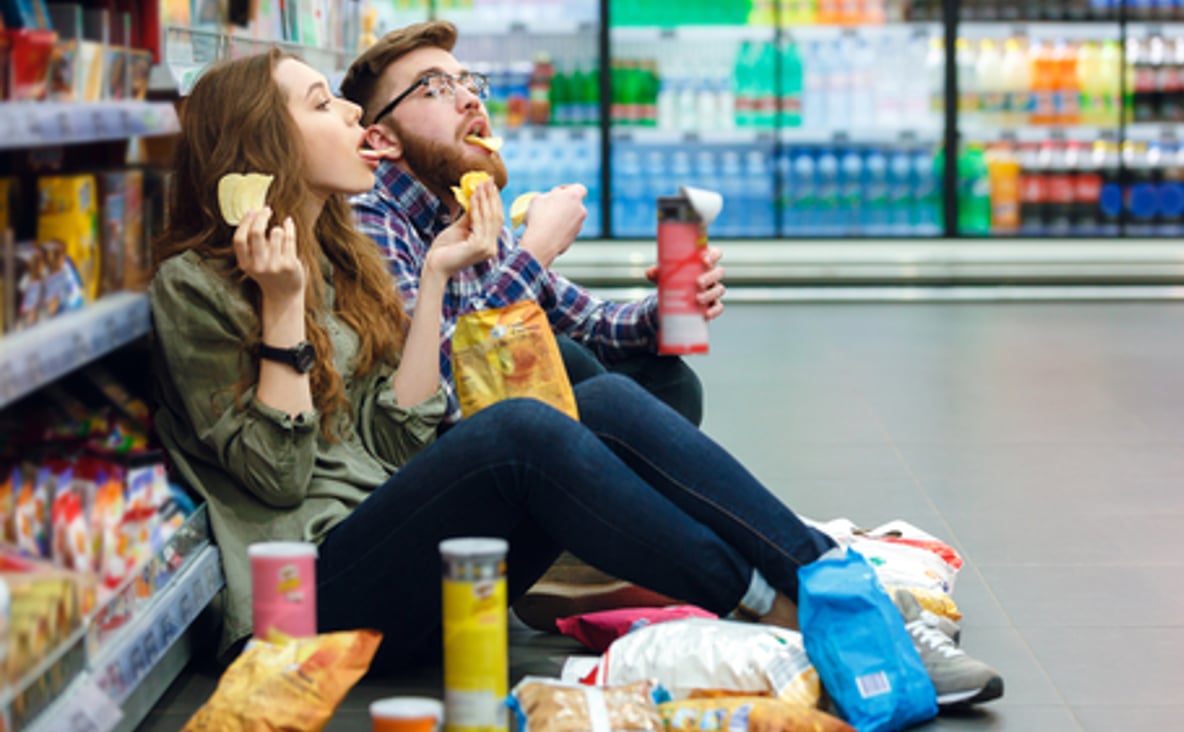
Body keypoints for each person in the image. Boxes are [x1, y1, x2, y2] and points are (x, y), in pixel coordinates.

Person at [148, 49, 1003, 706]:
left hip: (399, 544)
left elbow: (394, 432)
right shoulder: (199, 286)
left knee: (596, 395)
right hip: (304, 603)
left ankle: (828, 585)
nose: (348, 115)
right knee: (525, 429)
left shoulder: (338, 252)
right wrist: (283, 309)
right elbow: (282, 473)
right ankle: (801, 618)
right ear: (264, 146)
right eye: (320, 103)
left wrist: (444, 275)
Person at [341, 21, 716, 429]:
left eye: (468, 84)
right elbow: (439, 397)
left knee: (668, 381)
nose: (470, 100)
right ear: (382, 140)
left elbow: (592, 322)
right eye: (435, 88)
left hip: (510, 433)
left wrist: (668, 307)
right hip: (446, 456)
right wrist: (535, 251)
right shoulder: (369, 217)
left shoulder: (467, 210)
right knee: (567, 360)